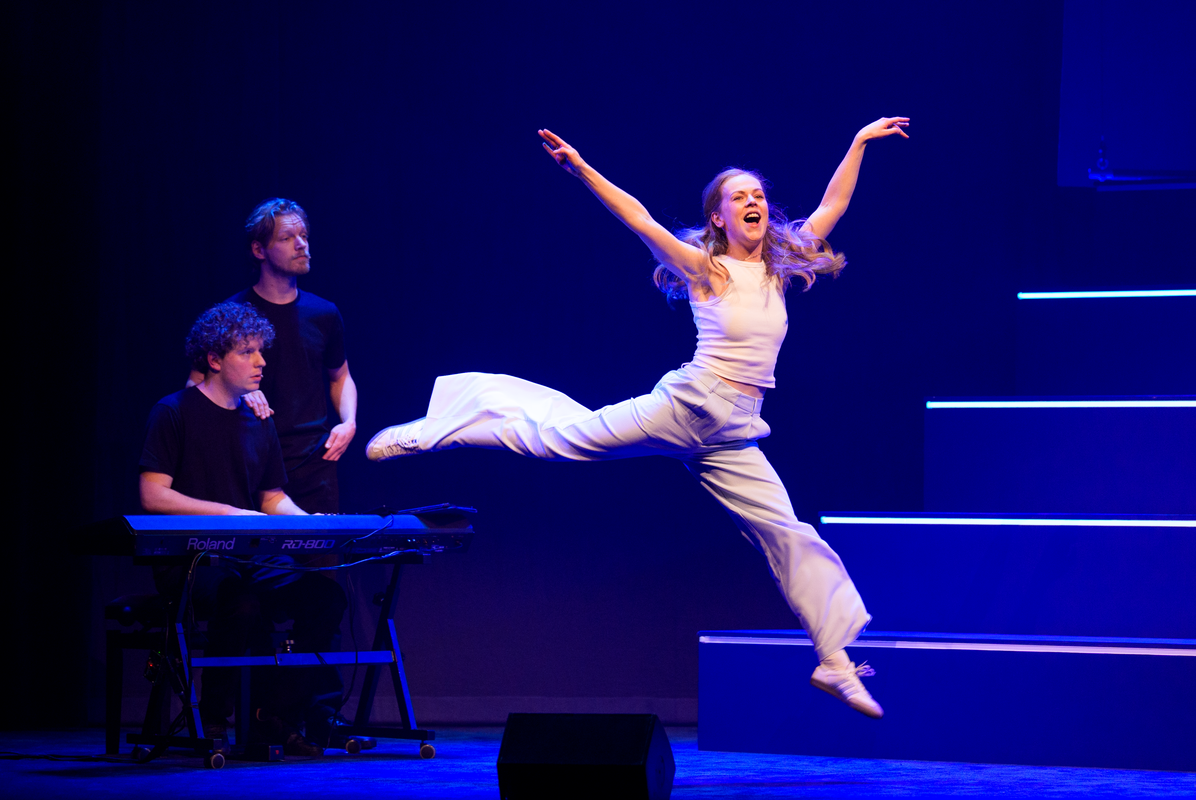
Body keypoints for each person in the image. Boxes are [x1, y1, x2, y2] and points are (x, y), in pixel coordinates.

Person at [366, 118, 910, 718]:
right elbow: (640, 219)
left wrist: (857, 143)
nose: (754, 202)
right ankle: (439, 426)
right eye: (739, 197)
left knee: (787, 532)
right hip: (690, 404)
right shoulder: (708, 270)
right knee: (563, 439)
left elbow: (833, 203)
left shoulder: (778, 268)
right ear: (719, 219)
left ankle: (834, 659)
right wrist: (582, 171)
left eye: (758, 195)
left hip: (733, 431)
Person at [143, 302, 348, 754]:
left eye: (261, 351)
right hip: (191, 561)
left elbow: (271, 497)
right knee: (240, 602)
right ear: (215, 360)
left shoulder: (258, 422)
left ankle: (269, 711)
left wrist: (311, 523)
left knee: (325, 597)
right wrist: (225, 514)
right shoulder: (173, 412)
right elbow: (153, 495)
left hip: (245, 557)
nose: (261, 362)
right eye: (248, 352)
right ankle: (214, 721)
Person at [188, 198, 356, 514]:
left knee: (320, 557)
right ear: (259, 250)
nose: (301, 245)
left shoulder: (324, 313)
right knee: (260, 561)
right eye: (287, 238)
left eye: (304, 236)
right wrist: (239, 394)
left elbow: (340, 375)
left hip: (313, 461)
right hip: (251, 459)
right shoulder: (233, 316)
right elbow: (195, 389)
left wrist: (349, 422)